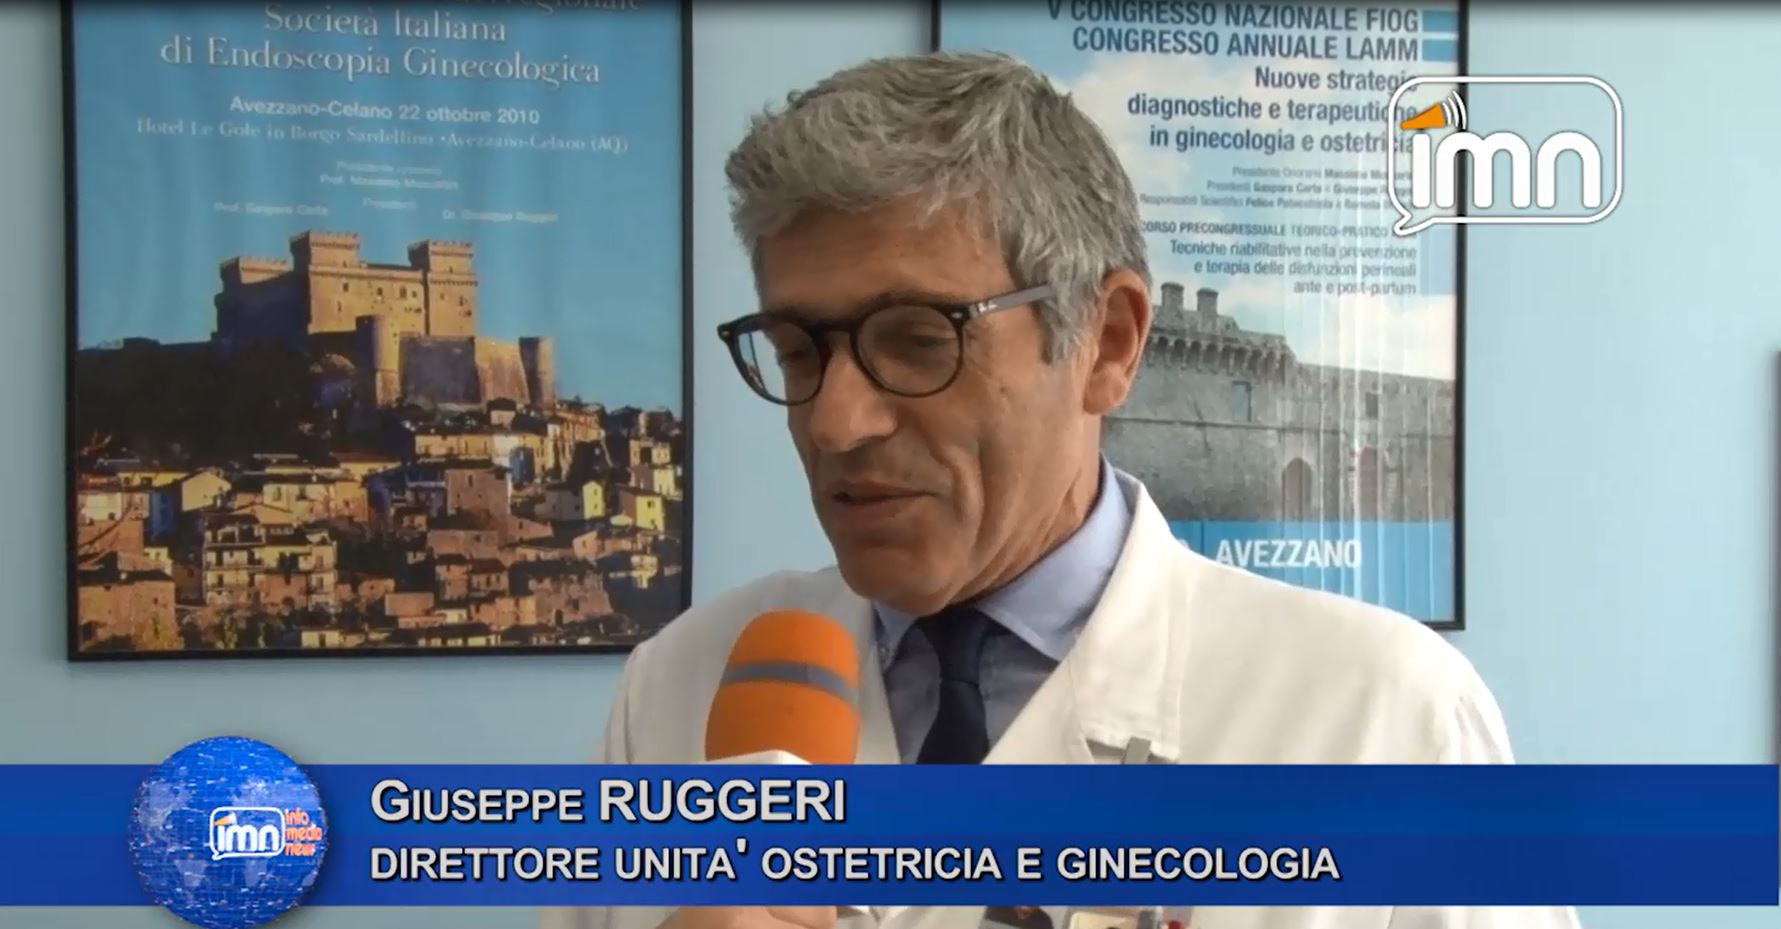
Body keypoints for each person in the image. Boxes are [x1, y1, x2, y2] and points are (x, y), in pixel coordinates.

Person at [541, 51, 1580, 929]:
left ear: (1107, 344)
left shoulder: (1384, 722)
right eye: (799, 349)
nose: (833, 422)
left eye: (917, 339)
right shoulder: (675, 691)